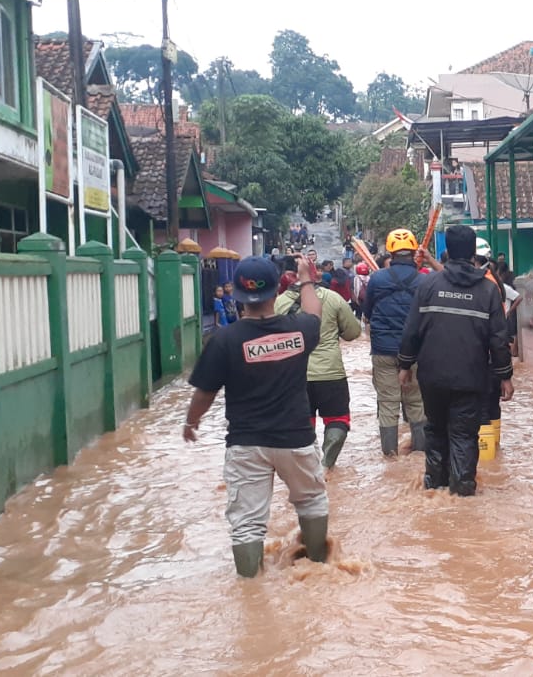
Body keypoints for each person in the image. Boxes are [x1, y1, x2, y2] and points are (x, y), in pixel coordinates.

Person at [183, 256, 330, 578]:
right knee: (311, 502)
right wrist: (306, 279)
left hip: (246, 444)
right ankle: (318, 569)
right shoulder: (299, 330)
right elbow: (314, 314)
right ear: (276, 292)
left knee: (247, 521)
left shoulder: (224, 340)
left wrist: (191, 422)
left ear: (236, 295)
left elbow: (204, 393)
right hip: (296, 439)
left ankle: (249, 589)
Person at [397, 226, 514, 496]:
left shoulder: (427, 285)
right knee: (464, 436)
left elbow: (412, 330)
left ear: (446, 252)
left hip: (432, 377)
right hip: (471, 379)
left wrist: (405, 366)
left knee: (436, 431)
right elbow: (499, 338)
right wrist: (505, 376)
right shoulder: (488, 290)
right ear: (474, 253)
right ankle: (462, 495)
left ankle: (435, 488)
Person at [274, 260, 362, 470]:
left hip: (293, 376)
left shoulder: (278, 303)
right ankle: (327, 465)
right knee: (338, 419)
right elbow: (353, 333)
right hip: (330, 373)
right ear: (315, 276)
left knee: (301, 423)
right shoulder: (333, 299)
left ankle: (308, 467)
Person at [363, 229, 430, 456]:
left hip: (383, 350)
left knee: (388, 403)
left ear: (390, 252)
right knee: (416, 402)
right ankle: (420, 454)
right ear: (413, 253)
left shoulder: (377, 279)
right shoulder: (424, 281)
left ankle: (390, 457)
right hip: (416, 352)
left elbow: (368, 313)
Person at [475, 237, 521, 445]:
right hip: (495, 354)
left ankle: (487, 459)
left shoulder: (484, 284)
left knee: (483, 407)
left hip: (484, 356)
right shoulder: (494, 281)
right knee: (492, 404)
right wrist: (505, 374)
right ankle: (494, 453)